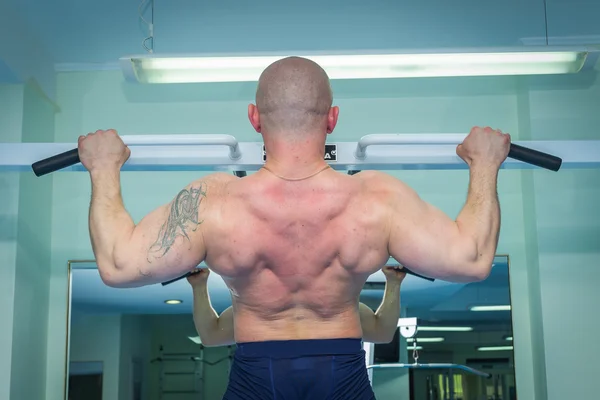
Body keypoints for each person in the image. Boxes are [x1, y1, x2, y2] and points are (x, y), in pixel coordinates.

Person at [79, 56, 509, 399]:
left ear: (254, 117)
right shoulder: (377, 199)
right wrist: (485, 164)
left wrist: (103, 167)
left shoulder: (213, 202)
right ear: (332, 118)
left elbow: (118, 265)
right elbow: (471, 259)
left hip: (255, 372)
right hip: (342, 370)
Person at [187, 266, 407, 347]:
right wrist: (198, 286)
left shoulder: (337, 305)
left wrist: (394, 282)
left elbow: (382, 333)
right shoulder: (258, 308)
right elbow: (212, 336)